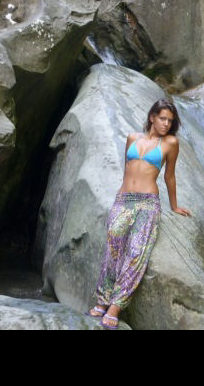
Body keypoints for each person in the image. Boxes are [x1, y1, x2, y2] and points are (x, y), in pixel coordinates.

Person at [86, 98, 192, 329]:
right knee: (113, 247)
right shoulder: (133, 138)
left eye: (170, 121)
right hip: (123, 200)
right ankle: (102, 300)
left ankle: (115, 307)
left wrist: (174, 206)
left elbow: (169, 176)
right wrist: (120, 198)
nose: (166, 124)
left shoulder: (171, 143)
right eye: (162, 118)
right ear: (152, 117)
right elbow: (128, 169)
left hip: (148, 203)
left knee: (136, 253)